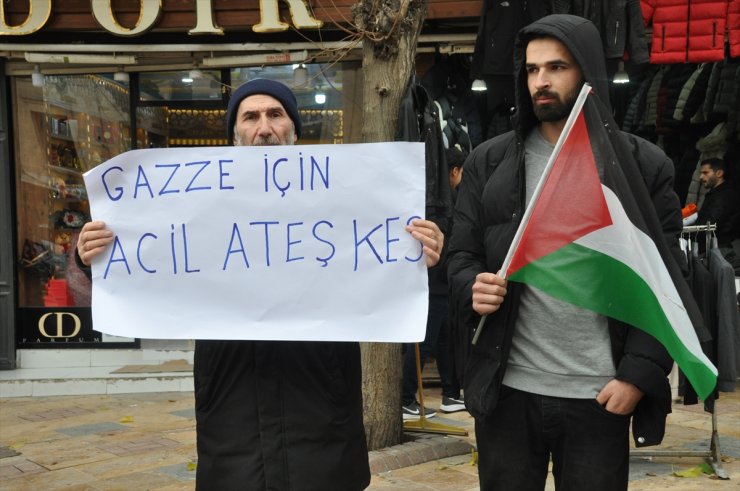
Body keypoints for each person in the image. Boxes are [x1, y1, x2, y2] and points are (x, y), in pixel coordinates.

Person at [76, 78, 445, 491]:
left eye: (275, 114)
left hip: (321, 400)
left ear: (294, 130)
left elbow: (380, 261)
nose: (264, 127)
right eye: (250, 117)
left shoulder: (342, 196)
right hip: (232, 407)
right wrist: (93, 251)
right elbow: (153, 256)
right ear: (235, 136)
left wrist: (418, 251)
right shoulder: (196, 201)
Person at [447, 15, 680, 491]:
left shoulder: (641, 165)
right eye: (532, 70)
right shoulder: (489, 162)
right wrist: (472, 287)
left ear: (588, 72)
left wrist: (638, 374)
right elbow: (461, 256)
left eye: (557, 67)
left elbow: (669, 279)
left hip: (599, 395)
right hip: (508, 392)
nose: (541, 81)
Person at [400, 147, 467, 420]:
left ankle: (450, 394)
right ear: (453, 172)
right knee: (425, 342)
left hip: (441, 284)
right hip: (433, 285)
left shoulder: (440, 200)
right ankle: (405, 399)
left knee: (443, 341)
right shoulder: (440, 202)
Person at [695, 157, 740, 251]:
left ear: (719, 173)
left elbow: (710, 225)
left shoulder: (723, 196)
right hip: (714, 247)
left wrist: (687, 234)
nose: (701, 177)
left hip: (720, 249)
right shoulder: (716, 193)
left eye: (705, 173)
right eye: (700, 173)